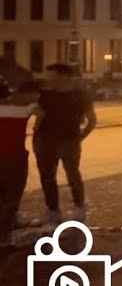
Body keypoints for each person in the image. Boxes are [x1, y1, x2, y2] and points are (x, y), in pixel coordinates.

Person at [33, 64, 96, 225]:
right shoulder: (44, 94)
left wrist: (80, 137)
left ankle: (79, 207)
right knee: (47, 177)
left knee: (72, 175)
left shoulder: (80, 94)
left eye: (52, 76)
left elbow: (92, 119)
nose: (48, 79)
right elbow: (39, 115)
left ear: (64, 76)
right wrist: (36, 135)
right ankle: (53, 210)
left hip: (68, 141)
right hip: (45, 141)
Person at [0, 81, 42, 245]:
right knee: (12, 196)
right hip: (14, 158)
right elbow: (41, 113)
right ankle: (4, 236)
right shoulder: (23, 110)